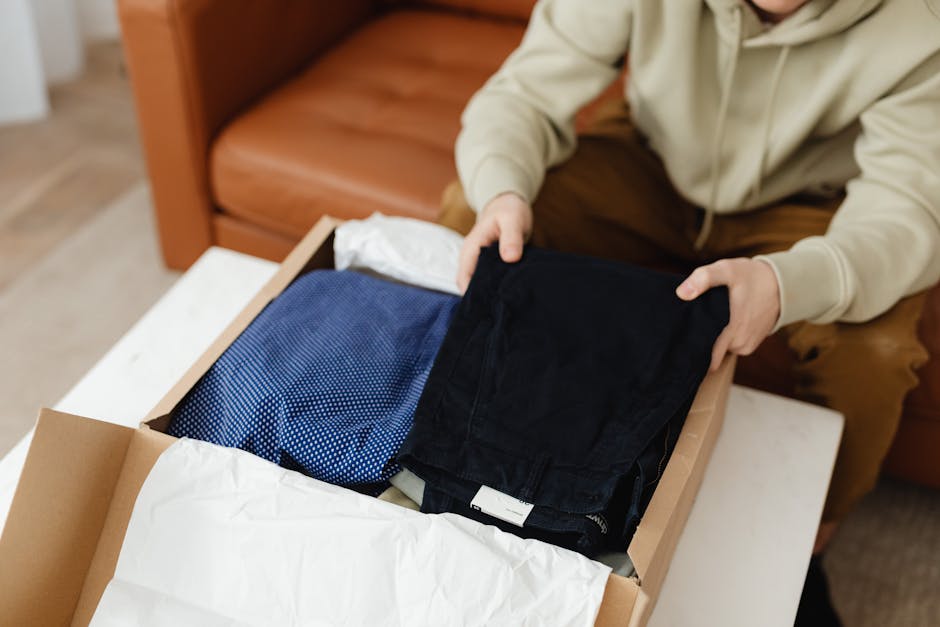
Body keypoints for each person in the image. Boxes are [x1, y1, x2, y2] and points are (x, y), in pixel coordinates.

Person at [438, 0, 940, 624]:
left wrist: (787, 284)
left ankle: (808, 543)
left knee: (876, 355)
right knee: (476, 215)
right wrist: (502, 190)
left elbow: (907, 213)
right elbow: (524, 93)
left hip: (815, 207)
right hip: (652, 164)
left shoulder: (923, 23)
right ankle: (473, 460)